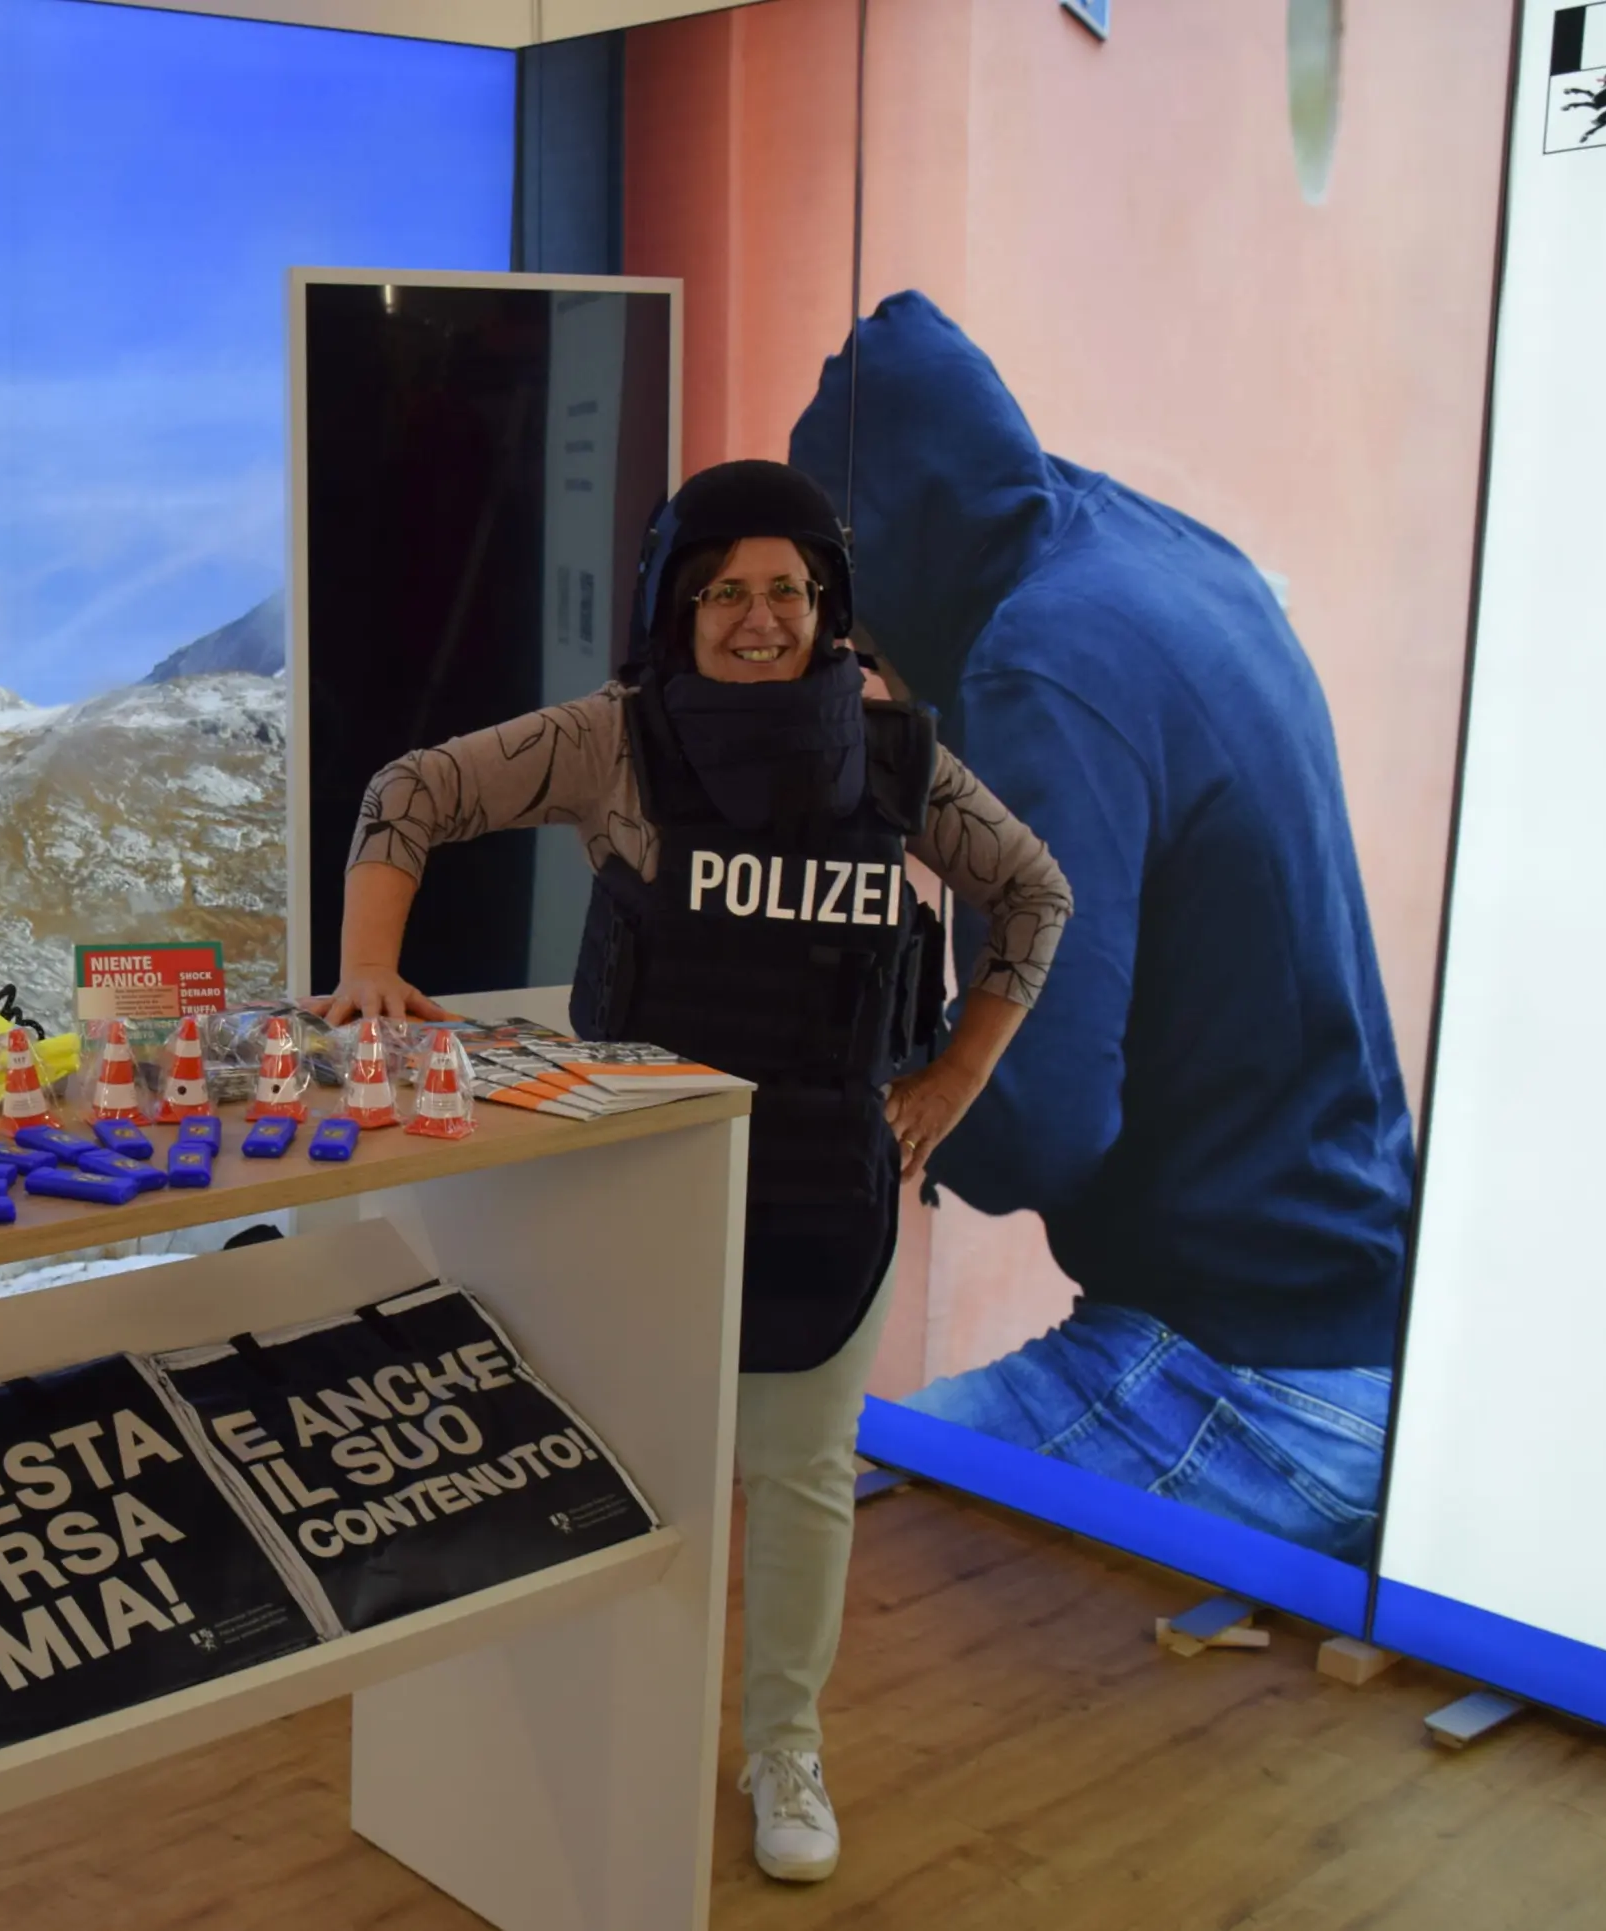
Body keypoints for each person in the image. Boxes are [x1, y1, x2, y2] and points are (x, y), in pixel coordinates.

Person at [318, 459, 1071, 1885]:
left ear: (826, 603)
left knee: (798, 1482)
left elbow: (1035, 892)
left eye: (787, 588)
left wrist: (956, 1076)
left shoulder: (897, 760)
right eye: (726, 589)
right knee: (606, 1472)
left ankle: (784, 1745)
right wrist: (368, 968)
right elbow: (409, 793)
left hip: (817, 1188)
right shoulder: (618, 740)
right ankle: (584, 1720)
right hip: (636, 1187)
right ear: (680, 602)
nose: (758, 617)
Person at [786, 292, 1413, 1564]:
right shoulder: (1163, 556)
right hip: (1361, 1327)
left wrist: (828, 1073)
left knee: (797, 1531)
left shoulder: (1037, 669)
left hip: (1246, 1378)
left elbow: (1038, 1125)